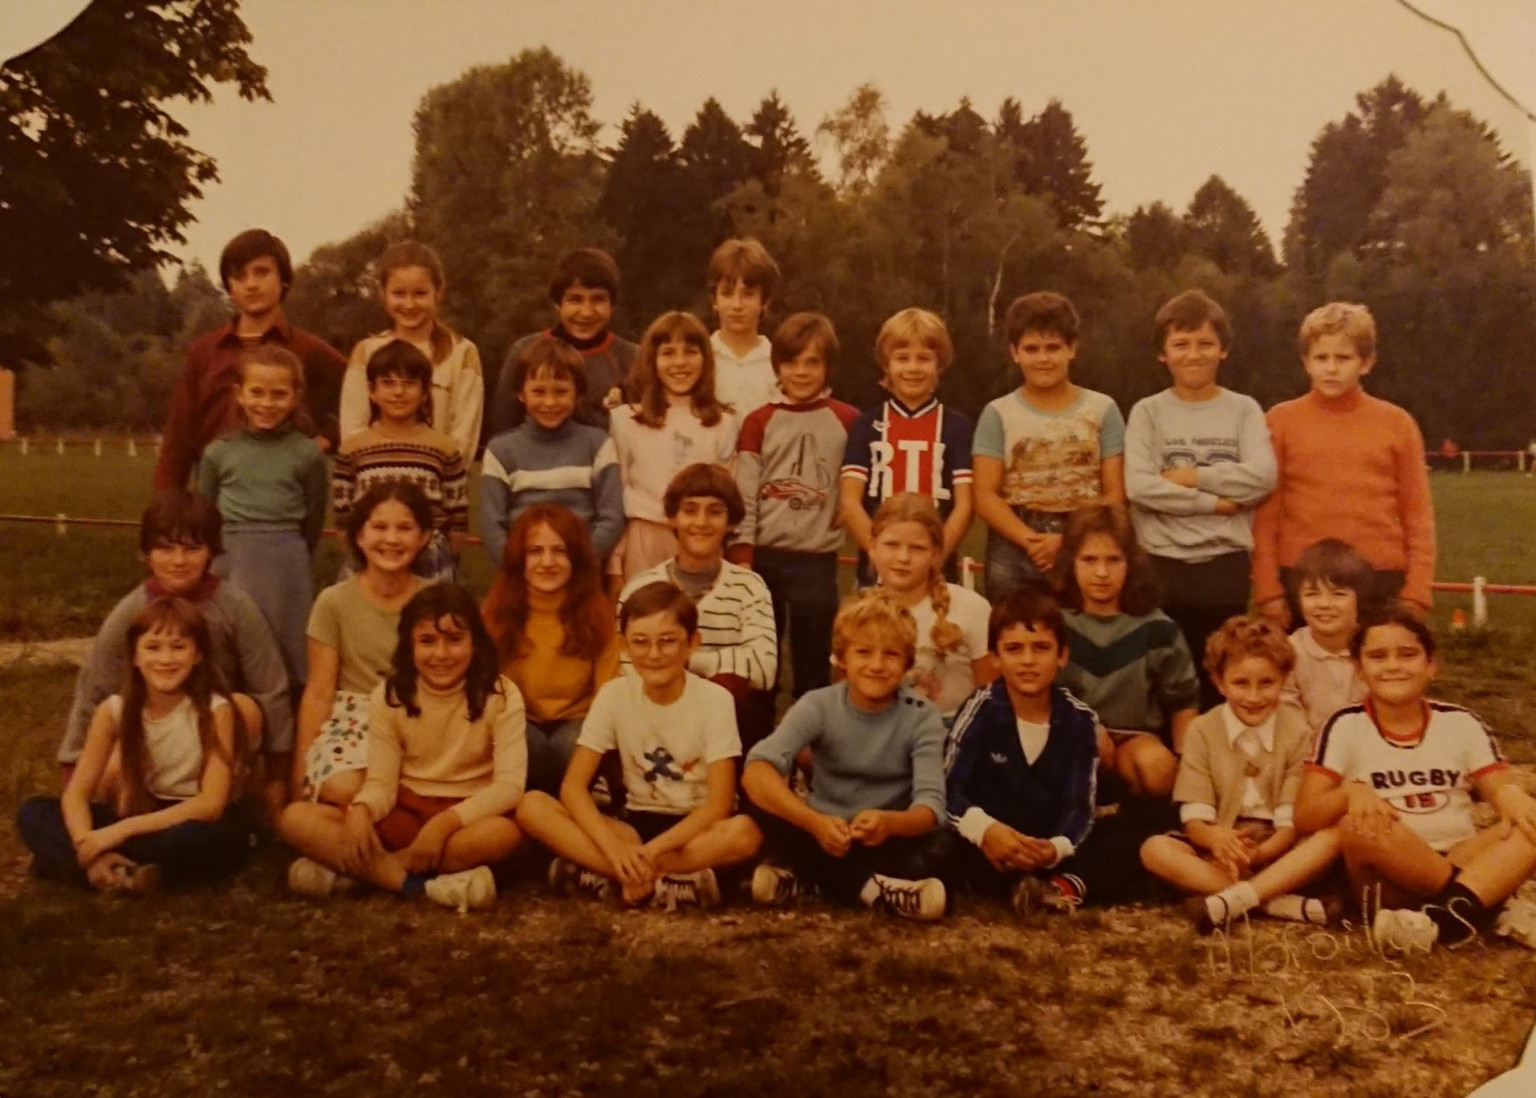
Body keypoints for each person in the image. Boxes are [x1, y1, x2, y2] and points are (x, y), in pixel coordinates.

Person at [1295, 604, 1536, 949]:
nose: (1393, 665)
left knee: (1530, 818)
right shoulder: (1344, 725)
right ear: (1359, 670)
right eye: (1378, 656)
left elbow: (1499, 787)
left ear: (1431, 665)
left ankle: (1442, 922)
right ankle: (1485, 905)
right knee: (1354, 827)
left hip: (1459, 854)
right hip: (1388, 878)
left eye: (1407, 654)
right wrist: (1350, 792)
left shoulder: (1461, 721)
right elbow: (1305, 816)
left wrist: (1510, 795)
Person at [516, 581, 762, 909]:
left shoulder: (714, 700)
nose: (654, 654)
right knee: (532, 806)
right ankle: (656, 880)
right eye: (641, 643)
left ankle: (612, 874)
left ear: (692, 644)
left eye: (668, 642)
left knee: (744, 833)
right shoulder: (614, 695)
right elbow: (573, 788)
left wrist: (651, 853)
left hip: (694, 829)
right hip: (633, 826)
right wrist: (616, 850)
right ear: (623, 646)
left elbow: (718, 803)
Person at [279, 585, 526, 911]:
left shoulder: (502, 694)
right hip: (403, 811)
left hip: (465, 818)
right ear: (409, 645)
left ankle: (358, 872)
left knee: (502, 835)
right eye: (427, 641)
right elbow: (381, 782)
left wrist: (444, 824)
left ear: (475, 643)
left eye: (454, 640)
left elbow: (509, 786)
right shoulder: (390, 695)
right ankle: (419, 886)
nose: (441, 654)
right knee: (296, 818)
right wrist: (362, 811)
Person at [56, 490, 290, 823]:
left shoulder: (236, 608)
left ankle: (227, 798)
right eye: (166, 549)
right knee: (108, 777)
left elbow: (270, 688)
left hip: (213, 725)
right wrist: (74, 772)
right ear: (146, 554)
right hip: (153, 726)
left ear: (212, 552)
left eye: (192, 549)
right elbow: (95, 688)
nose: (178, 561)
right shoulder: (131, 610)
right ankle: (137, 816)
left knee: (247, 708)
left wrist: (278, 776)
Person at [743, 589, 950, 922]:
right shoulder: (819, 703)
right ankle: (879, 892)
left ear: (907, 664)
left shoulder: (922, 715)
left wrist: (889, 823)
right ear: (842, 658)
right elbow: (757, 769)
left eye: (891, 655)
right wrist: (815, 823)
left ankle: (808, 883)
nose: (877, 666)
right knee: (763, 813)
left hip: (886, 838)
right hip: (823, 832)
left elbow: (930, 807)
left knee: (942, 845)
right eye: (863, 652)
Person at [18, 598, 248, 892]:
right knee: (34, 812)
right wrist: (88, 843)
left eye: (178, 647)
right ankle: (107, 868)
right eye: (153, 647)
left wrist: (118, 832)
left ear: (198, 654)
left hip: (184, 819)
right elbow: (76, 793)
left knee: (198, 840)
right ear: (135, 657)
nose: (165, 660)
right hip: (138, 811)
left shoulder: (216, 710)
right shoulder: (113, 710)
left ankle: (75, 866)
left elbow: (211, 804)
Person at [1123, 289, 1276, 710]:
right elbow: (1139, 486)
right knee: (1165, 677)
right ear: (1162, 353)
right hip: (1161, 561)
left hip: (1223, 563)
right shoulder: (1147, 412)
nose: (1194, 354)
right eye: (1181, 344)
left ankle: (1214, 766)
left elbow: (1262, 477)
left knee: (1220, 675)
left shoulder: (1244, 410)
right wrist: (1214, 502)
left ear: (1223, 350)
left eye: (1205, 343)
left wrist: (1192, 476)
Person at [1140, 616, 1340, 932]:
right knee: (1155, 849)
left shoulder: (1298, 731)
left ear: (1284, 679)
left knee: (1323, 845)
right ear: (1220, 682)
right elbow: (1194, 815)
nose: (1254, 696)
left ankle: (1231, 894)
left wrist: (1260, 853)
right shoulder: (1202, 730)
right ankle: (1275, 901)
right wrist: (1217, 840)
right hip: (1221, 839)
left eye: (1267, 683)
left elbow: (1292, 820)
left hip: (1278, 844)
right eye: (1240, 683)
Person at [1252, 302, 1435, 628]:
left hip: (1381, 580)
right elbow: (1265, 517)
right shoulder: (1279, 422)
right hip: (1302, 578)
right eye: (1321, 358)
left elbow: (1417, 515)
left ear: (1367, 363)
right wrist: (1268, 590)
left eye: (1344, 358)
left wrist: (1417, 593)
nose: (1331, 369)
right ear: (1306, 362)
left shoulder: (1398, 423)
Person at [938, 586, 1101, 915]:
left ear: (1062, 655)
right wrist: (987, 831)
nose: (1028, 661)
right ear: (995, 657)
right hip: (988, 841)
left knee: (1130, 836)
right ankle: (1026, 887)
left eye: (1041, 648)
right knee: (935, 845)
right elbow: (948, 788)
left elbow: (1080, 807)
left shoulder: (1080, 720)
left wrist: (1054, 848)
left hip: (1046, 844)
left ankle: (1055, 886)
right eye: (1014, 649)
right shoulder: (981, 709)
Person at [155, 228, 345, 490]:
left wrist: (325, 440)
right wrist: (166, 507)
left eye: (261, 272)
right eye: (239, 276)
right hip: (217, 494)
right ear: (230, 288)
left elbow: (372, 397)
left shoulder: (308, 349)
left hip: (283, 498)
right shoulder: (203, 352)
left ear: (284, 280)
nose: (251, 284)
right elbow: (178, 439)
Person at [733, 312, 859, 699]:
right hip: (765, 558)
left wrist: (849, 507)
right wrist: (742, 554)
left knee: (812, 664)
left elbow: (860, 478)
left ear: (828, 367)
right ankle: (756, 747)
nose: (801, 372)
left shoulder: (848, 419)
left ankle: (811, 751)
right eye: (791, 362)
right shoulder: (759, 421)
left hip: (816, 559)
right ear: (778, 367)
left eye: (812, 362)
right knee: (760, 664)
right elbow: (746, 493)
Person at [974, 291, 1126, 599]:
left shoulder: (1103, 409)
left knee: (1080, 635)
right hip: (1013, 540)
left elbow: (1115, 494)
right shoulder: (997, 412)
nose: (1043, 359)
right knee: (1011, 635)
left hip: (1085, 539)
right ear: (1015, 352)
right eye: (1032, 349)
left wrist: (1067, 541)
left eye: (1053, 348)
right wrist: (1030, 540)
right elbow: (985, 494)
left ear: (1072, 349)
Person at [617, 464, 777, 752]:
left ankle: (737, 791)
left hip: (728, 726)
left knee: (733, 689)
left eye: (715, 511)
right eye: (690, 510)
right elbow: (627, 668)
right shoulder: (640, 588)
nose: (701, 522)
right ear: (672, 519)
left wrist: (686, 661)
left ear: (730, 522)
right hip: (655, 716)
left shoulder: (750, 586)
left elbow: (764, 669)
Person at [195, 345, 328, 692]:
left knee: (286, 637)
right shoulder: (218, 452)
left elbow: (314, 514)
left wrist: (293, 549)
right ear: (239, 394)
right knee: (234, 634)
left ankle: (288, 720)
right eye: (256, 392)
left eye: (278, 394)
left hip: (285, 556)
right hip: (231, 555)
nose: (266, 404)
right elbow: (204, 515)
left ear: (295, 396)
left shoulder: (307, 452)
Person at [292, 482, 432, 808]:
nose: (392, 539)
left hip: (420, 719)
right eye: (379, 527)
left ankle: (349, 848)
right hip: (354, 723)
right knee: (344, 788)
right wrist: (300, 773)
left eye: (405, 528)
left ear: (424, 537)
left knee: (414, 790)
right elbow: (318, 692)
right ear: (359, 536)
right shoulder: (334, 602)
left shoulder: (436, 600)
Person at [1055, 504, 1199, 801]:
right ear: (1071, 562)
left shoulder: (1157, 627)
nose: (1101, 572)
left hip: (1136, 737)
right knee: (1090, 746)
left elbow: (1183, 700)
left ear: (1131, 563)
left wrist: (1186, 764)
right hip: (1069, 734)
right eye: (1089, 560)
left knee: (1157, 770)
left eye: (1113, 560)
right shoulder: (1053, 623)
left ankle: (1128, 818)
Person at [482, 504, 621, 794]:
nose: (547, 562)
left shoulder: (596, 610)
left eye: (559, 551)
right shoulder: (496, 610)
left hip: (578, 721)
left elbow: (608, 690)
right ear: (520, 558)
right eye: (535, 551)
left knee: (570, 744)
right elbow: (483, 686)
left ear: (576, 558)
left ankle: (576, 808)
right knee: (525, 743)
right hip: (519, 720)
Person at [840, 307, 973, 585]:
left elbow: (964, 505)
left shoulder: (956, 427)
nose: (913, 368)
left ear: (940, 364)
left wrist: (935, 558)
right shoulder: (866, 425)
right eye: (902, 358)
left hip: (937, 571)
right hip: (876, 571)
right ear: (886, 364)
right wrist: (879, 556)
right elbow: (851, 502)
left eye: (924, 359)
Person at [609, 311, 738, 583]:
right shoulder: (626, 420)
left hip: (701, 539)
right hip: (644, 537)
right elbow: (617, 494)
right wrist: (615, 561)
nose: (680, 363)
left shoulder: (723, 423)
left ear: (705, 358)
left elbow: (726, 497)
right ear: (652, 360)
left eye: (690, 352)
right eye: (668, 353)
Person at [478, 335, 623, 570]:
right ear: (521, 393)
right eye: (538, 392)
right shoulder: (501, 450)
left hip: (582, 572)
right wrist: (516, 567)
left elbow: (612, 516)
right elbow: (491, 523)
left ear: (578, 393)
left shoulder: (597, 444)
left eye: (560, 391)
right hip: (522, 574)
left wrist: (581, 562)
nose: (549, 402)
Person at [331, 339, 469, 583]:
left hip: (428, 557)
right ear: (372, 391)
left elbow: (457, 519)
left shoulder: (443, 448)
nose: (398, 392)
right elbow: (343, 520)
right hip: (370, 555)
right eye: (388, 383)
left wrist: (447, 559)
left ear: (425, 392)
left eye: (409, 384)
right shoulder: (353, 449)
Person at [337, 240, 484, 457]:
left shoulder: (462, 353)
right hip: (376, 481)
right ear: (383, 293)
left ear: (439, 291)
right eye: (399, 293)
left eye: (420, 294)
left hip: (438, 481)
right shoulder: (366, 352)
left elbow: (464, 438)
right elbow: (353, 431)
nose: (409, 304)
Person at [867, 494, 994, 724]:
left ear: (935, 554)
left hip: (955, 733)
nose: (903, 558)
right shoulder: (858, 614)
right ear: (872, 547)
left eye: (916, 548)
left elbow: (992, 697)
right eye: (892, 545)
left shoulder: (973, 608)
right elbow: (847, 703)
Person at [488, 247, 637, 434]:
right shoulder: (525, 350)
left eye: (598, 300)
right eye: (575, 300)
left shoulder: (632, 358)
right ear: (558, 304)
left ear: (612, 304)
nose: (586, 312)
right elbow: (504, 428)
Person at [1280, 538, 1373, 730]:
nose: (1324, 604)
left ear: (1359, 598)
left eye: (1338, 594)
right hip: (1307, 749)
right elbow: (1288, 717)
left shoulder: (1373, 646)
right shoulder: (1288, 652)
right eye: (1312, 594)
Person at [707, 237, 780, 420]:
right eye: (727, 293)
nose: (737, 305)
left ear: (765, 301)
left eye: (748, 294)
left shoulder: (779, 364)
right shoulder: (700, 360)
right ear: (714, 301)